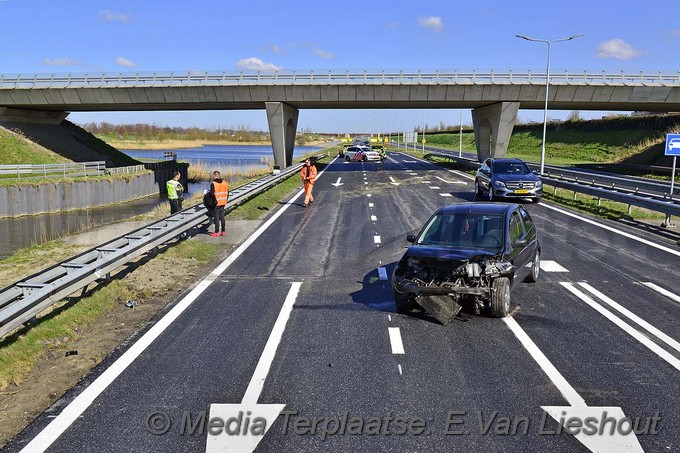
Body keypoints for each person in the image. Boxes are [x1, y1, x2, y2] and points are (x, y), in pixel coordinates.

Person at [208, 170, 229, 236]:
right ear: (219, 175)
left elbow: (211, 194)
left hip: (216, 202)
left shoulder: (213, 183)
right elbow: (227, 192)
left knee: (216, 217)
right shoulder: (224, 182)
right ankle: (223, 231)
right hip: (223, 201)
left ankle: (217, 232)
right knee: (222, 217)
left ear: (214, 175)